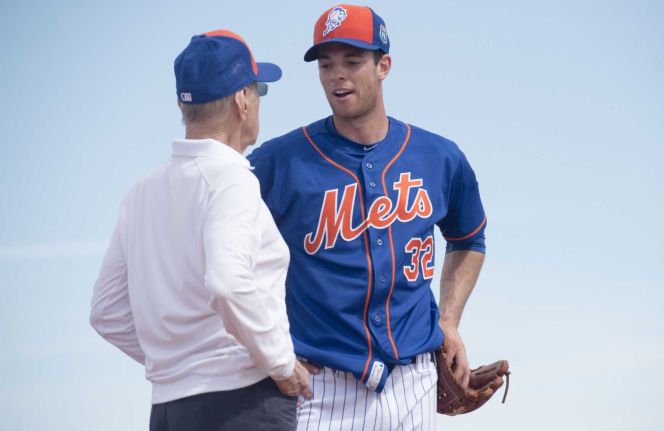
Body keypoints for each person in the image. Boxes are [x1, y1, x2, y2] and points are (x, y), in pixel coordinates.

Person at [247, 5, 487, 430]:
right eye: (326, 64)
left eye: (353, 61)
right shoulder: (277, 163)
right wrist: (270, 347)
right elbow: (225, 257)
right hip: (319, 386)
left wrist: (449, 320)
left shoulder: (439, 157)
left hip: (415, 380)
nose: (338, 75)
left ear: (384, 66)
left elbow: (468, 239)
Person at [90, 29, 311, 431]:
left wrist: (180, 364)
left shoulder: (140, 192)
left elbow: (106, 313)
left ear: (181, 103)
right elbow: (227, 281)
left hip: (169, 411)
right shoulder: (231, 179)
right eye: (258, 89)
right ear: (242, 101)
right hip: (243, 404)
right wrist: (281, 364)